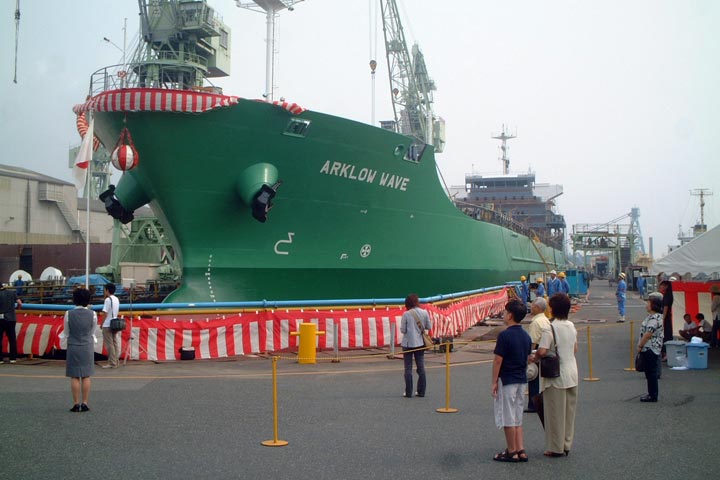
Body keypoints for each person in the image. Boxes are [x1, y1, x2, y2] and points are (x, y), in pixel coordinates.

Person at [534, 293, 578, 457]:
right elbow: (574, 349)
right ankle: (566, 444)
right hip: (572, 372)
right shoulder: (571, 325)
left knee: (555, 413)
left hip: (556, 375)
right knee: (569, 412)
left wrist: (535, 356)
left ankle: (555, 447)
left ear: (552, 309)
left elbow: (543, 350)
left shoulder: (550, 328)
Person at [491, 298, 532, 462]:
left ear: (510, 316)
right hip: (521, 379)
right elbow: (528, 357)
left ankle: (511, 450)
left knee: (507, 415)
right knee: (517, 414)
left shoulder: (504, 335)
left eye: (506, 311)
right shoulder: (526, 336)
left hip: (507, 379)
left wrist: (494, 381)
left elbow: (497, 360)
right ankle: (520, 448)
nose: (503, 314)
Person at [60, 287, 97, 412]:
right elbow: (92, 331)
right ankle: (85, 402)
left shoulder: (68, 314)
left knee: (74, 376)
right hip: (87, 345)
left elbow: (66, 332)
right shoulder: (93, 314)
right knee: (86, 375)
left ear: (74, 299)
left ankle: (76, 403)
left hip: (73, 345)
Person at [400, 293, 431, 398]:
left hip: (408, 344)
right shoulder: (424, 312)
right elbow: (428, 326)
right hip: (420, 343)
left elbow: (403, 330)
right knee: (421, 368)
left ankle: (408, 392)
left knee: (408, 369)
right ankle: (421, 391)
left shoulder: (406, 314)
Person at [637, 294, 664, 403]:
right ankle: (651, 393)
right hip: (651, 347)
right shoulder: (653, 316)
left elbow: (648, 334)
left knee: (651, 372)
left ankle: (652, 395)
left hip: (650, 347)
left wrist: (640, 345)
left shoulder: (654, 318)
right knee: (649, 372)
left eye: (649, 303)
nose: (647, 304)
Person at [526, 297, 550, 414]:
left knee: (533, 378)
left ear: (538, 308)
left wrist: (529, 356)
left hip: (537, 351)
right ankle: (540, 403)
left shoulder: (536, 322)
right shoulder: (545, 319)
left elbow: (533, 341)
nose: (531, 307)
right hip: (545, 351)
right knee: (541, 379)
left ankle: (533, 404)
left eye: (533, 305)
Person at [0, 283, 23, 364]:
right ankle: (13, 358)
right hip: (12, 318)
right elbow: (20, 303)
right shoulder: (11, 292)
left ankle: (0, 359)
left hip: (1, 319)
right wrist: (17, 308)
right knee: (12, 338)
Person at [100, 284, 121, 368]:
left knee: (109, 344)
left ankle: (112, 362)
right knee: (115, 342)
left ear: (107, 290)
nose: (104, 291)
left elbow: (105, 313)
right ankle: (116, 360)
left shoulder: (108, 300)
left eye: (104, 290)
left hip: (107, 324)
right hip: (114, 323)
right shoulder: (116, 299)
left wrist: (101, 323)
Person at [658, 280, 674, 360]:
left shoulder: (667, 296)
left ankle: (666, 354)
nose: (661, 286)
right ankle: (665, 354)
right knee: (665, 335)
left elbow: (666, 308)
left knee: (665, 335)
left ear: (667, 286)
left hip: (666, 318)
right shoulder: (666, 295)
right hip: (666, 318)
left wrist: (662, 319)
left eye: (663, 285)